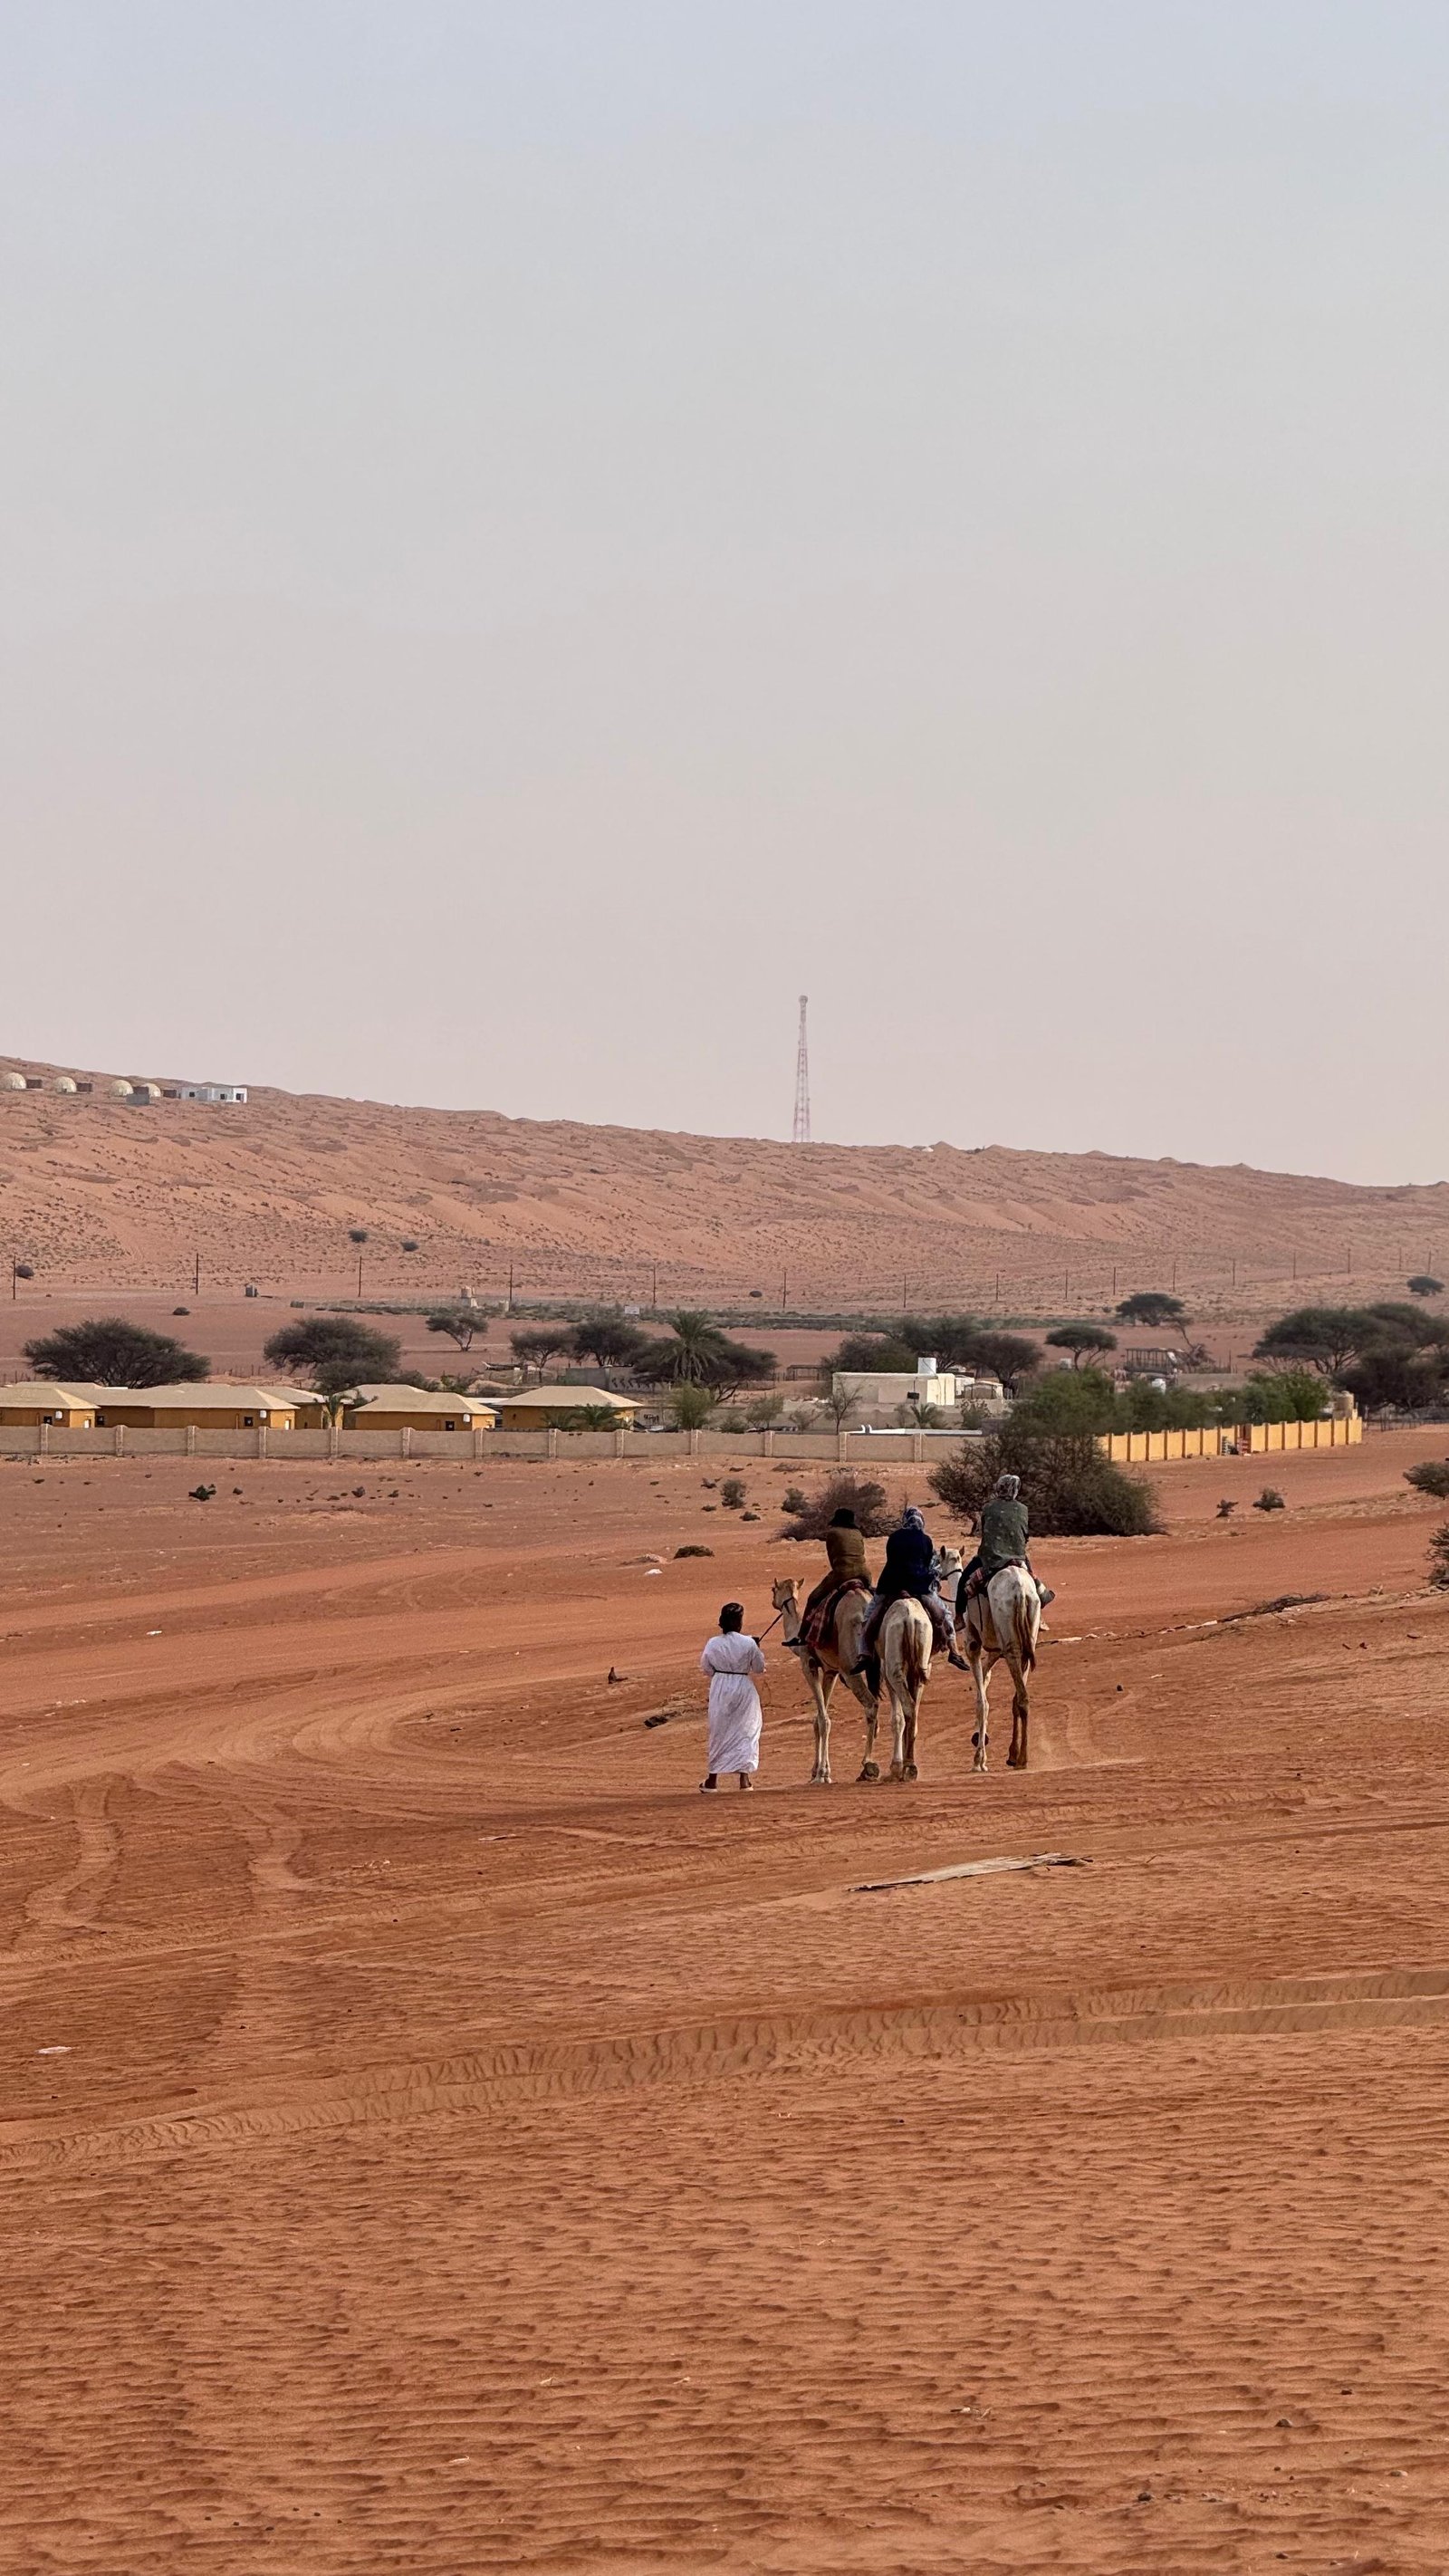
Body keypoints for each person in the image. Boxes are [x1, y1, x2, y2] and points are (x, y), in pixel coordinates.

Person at [857, 1504, 967, 1668]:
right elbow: (930, 1565)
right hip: (919, 1587)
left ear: (905, 1520)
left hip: (891, 1586)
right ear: (921, 1521)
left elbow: (892, 1561)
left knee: (869, 1615)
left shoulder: (893, 1538)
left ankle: (865, 1654)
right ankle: (954, 1652)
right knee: (945, 1615)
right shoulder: (926, 1540)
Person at [959, 1473, 1054, 1609]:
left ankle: (958, 1616)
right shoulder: (1023, 1509)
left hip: (991, 1558)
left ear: (999, 1488)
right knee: (1032, 1579)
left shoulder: (988, 1507)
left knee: (963, 1579)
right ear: (1016, 1489)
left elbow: (984, 1532)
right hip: (1017, 1556)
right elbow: (1025, 1534)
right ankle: (1042, 1601)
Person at [699, 1601, 765, 1792]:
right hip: (744, 1688)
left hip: (720, 1687)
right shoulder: (749, 1643)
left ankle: (712, 1781)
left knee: (719, 1731)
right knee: (747, 1731)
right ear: (739, 1622)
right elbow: (759, 1668)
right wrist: (756, 1648)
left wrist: (722, 1674)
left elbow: (706, 1667)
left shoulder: (713, 1643)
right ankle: (744, 1781)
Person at [794, 1505, 873, 1653]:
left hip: (842, 1572)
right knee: (873, 1595)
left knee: (814, 1598)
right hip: (864, 1573)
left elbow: (832, 1558)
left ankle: (803, 1635)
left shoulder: (833, 1533)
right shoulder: (858, 1533)